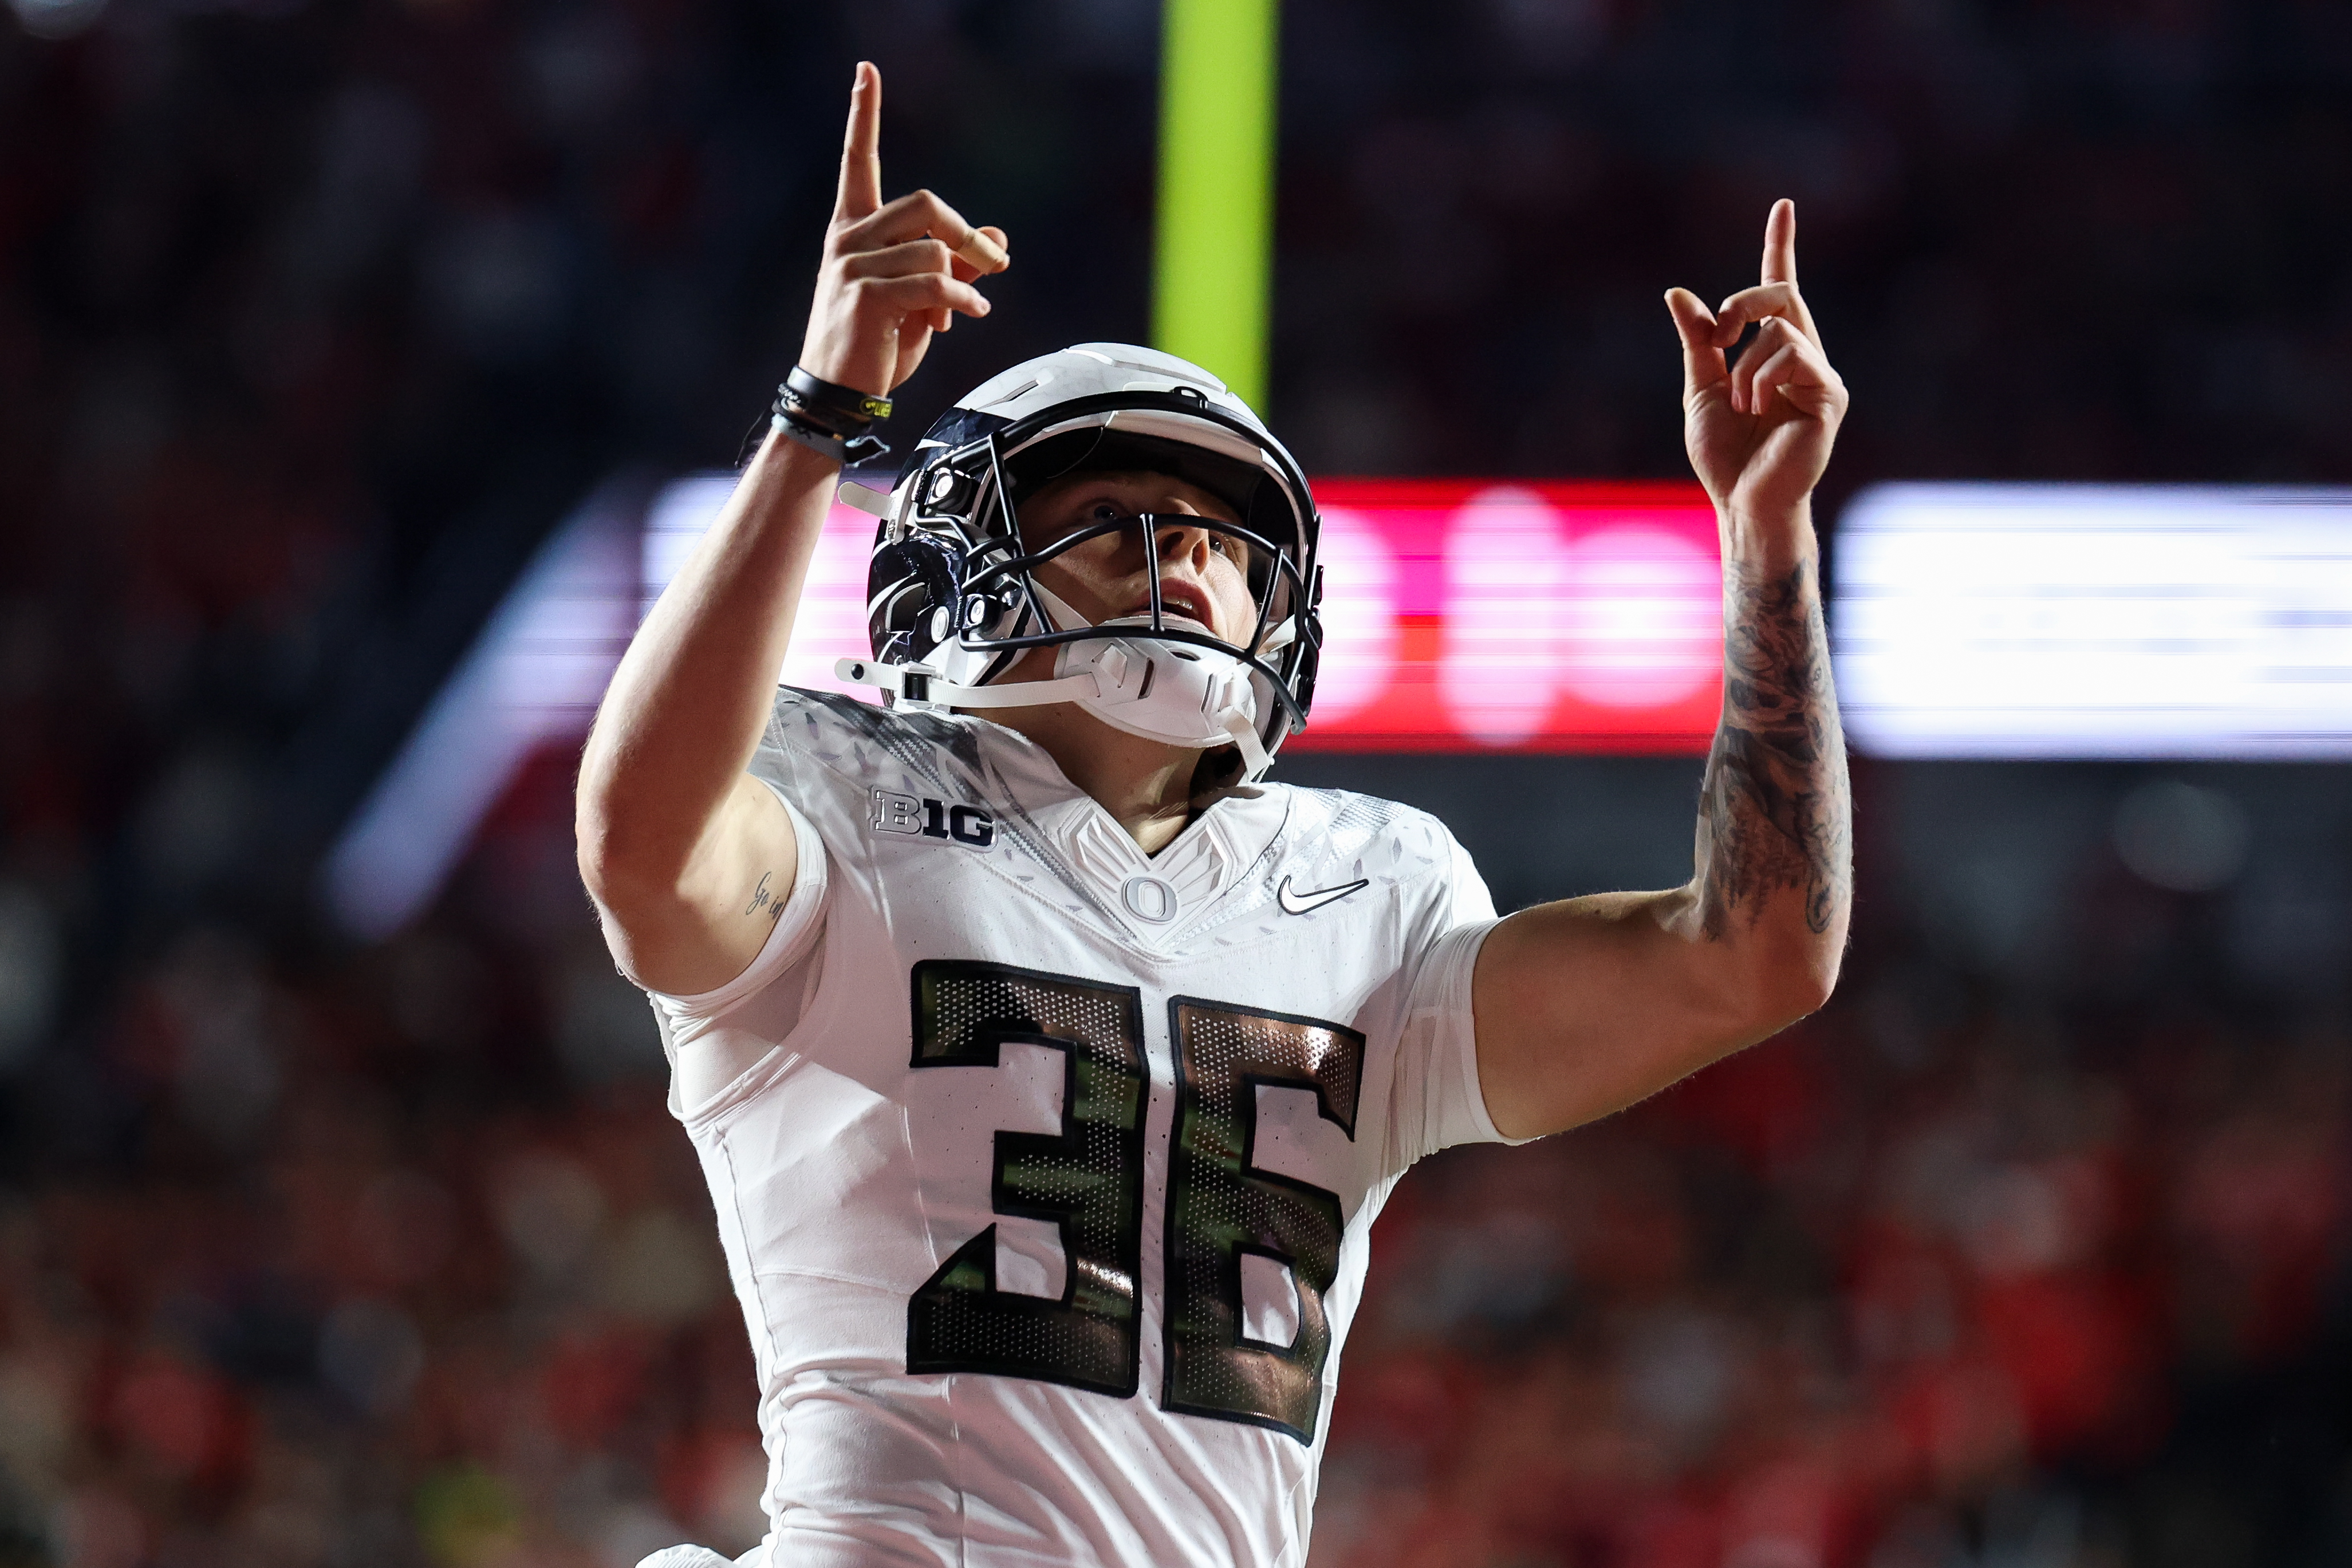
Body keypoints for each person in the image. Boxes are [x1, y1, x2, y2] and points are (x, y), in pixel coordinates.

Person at [576, 60, 1851, 1568]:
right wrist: (820, 417)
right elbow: (642, 845)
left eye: (1220, 531)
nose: (1177, 548)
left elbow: (1756, 955)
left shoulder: (1373, 883)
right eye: (1101, 508)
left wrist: (1765, 539)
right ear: (953, 564)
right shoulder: (843, 790)